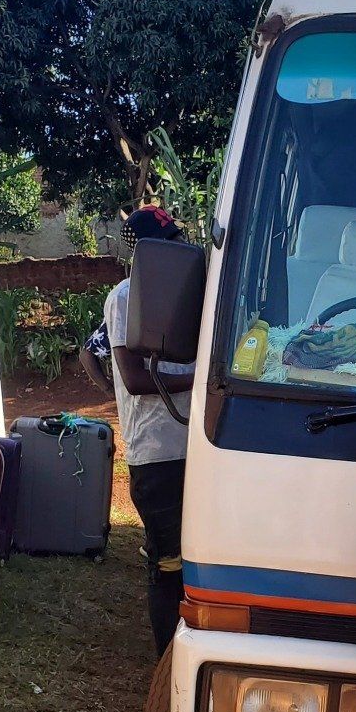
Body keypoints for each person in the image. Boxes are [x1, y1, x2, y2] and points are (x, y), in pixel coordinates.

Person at [104, 204, 196, 655]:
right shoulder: (126, 297)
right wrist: (200, 382)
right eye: (165, 245)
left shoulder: (191, 293)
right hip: (158, 455)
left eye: (177, 240)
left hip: (200, 447)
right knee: (168, 565)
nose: (176, 250)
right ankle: (167, 667)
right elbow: (137, 380)